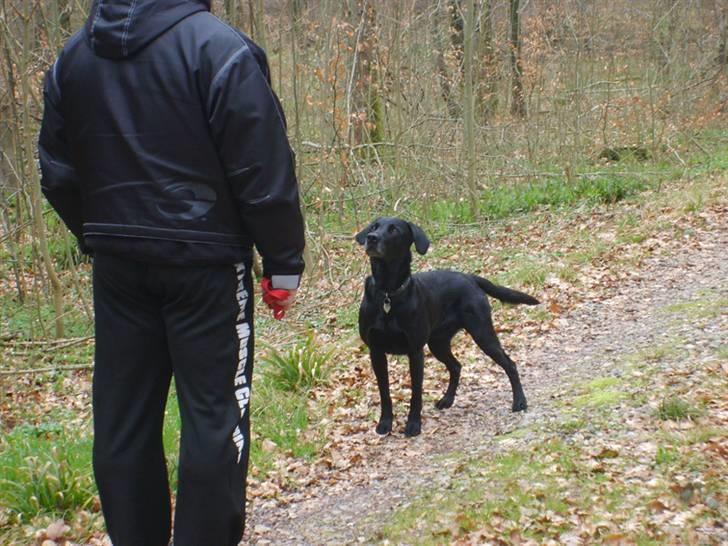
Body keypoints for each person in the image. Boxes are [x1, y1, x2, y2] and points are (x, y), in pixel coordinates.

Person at [38, 1, 305, 544]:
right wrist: (283, 263)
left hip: (119, 269)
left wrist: (103, 234)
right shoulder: (218, 49)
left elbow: (58, 173)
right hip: (204, 268)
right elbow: (262, 165)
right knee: (213, 420)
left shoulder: (74, 57)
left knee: (123, 422)